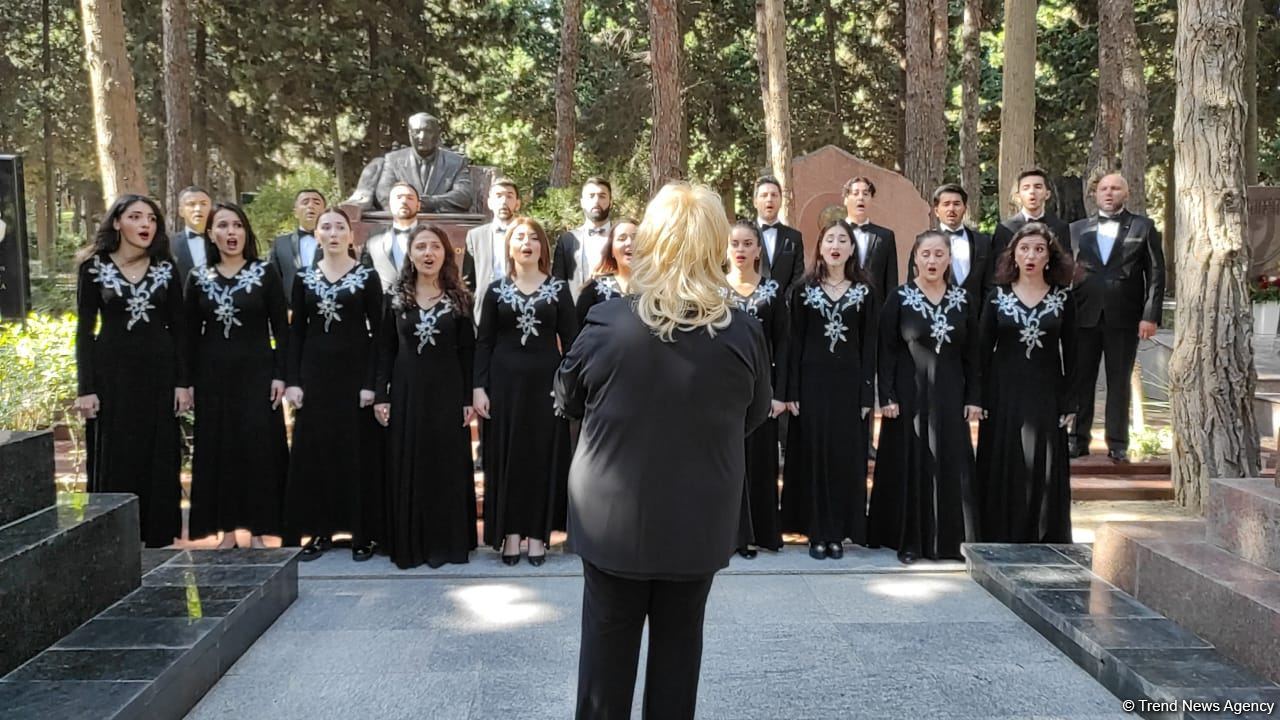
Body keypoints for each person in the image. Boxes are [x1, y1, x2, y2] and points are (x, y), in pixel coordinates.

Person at [555, 182, 771, 720]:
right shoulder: (743, 332)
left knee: (606, 655)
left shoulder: (608, 323)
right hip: (699, 514)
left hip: (612, 518)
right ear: (715, 245)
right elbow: (755, 415)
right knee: (680, 647)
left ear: (653, 240)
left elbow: (566, 397)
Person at [74, 194, 191, 548]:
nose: (145, 225)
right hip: (112, 377)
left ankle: (157, 534)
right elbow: (84, 331)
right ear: (117, 222)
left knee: (158, 451)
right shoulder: (93, 268)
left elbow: (181, 329)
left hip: (159, 375)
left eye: (152, 219)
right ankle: (114, 535)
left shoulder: (165, 268)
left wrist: (183, 383)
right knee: (116, 452)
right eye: (136, 217)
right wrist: (86, 388)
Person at [867, 231, 981, 564]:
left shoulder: (964, 300)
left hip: (950, 395)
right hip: (908, 399)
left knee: (950, 463)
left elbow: (974, 355)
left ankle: (950, 542)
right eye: (926, 254)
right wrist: (886, 396)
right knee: (912, 465)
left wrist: (974, 397)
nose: (932, 261)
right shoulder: (899, 298)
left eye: (939, 254)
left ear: (949, 259)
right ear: (915, 258)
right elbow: (885, 351)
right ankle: (908, 541)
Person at [474, 217, 578, 566]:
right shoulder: (495, 290)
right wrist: (478, 388)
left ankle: (536, 534)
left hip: (545, 388)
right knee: (508, 458)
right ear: (509, 247)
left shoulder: (559, 290)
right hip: (503, 388)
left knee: (540, 458)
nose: (526, 243)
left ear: (542, 247)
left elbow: (573, 343)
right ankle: (510, 533)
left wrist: (566, 386)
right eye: (519, 237)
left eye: (534, 237)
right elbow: (484, 342)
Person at [373, 223, 478, 569]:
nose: (428, 253)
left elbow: (468, 351)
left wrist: (467, 399)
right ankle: (411, 544)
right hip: (407, 394)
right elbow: (384, 349)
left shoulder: (459, 298)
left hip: (448, 395)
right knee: (410, 465)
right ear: (411, 254)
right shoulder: (394, 297)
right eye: (421, 247)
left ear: (446, 254)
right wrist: (381, 395)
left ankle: (446, 543)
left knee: (444, 466)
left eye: (435, 246)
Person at [184, 203, 289, 549]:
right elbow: (188, 335)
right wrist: (187, 382)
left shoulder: (265, 273)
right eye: (223, 226)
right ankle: (227, 532)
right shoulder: (198, 277)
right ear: (211, 234)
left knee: (259, 450)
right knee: (220, 451)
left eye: (237, 226)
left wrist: (280, 375)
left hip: (258, 377)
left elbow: (282, 329)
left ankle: (260, 531)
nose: (231, 232)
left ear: (246, 232)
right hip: (213, 379)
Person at [283, 207, 385, 561]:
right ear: (317, 236)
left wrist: (372, 383)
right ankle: (319, 530)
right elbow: (296, 332)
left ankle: (362, 533)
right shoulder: (304, 278)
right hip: (314, 380)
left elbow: (379, 334)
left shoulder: (367, 277)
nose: (333, 233)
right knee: (317, 455)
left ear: (350, 235)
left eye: (340, 227)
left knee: (356, 455)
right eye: (326, 227)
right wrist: (293, 381)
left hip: (354, 381)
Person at [975, 223, 1078, 543]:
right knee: (1004, 458)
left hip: (1046, 392)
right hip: (1003, 393)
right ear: (1013, 255)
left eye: (1038, 249)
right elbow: (981, 352)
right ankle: (999, 532)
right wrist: (977, 397)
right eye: (1024, 249)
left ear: (1049, 257)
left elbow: (1074, 354)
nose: (1031, 255)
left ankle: (1044, 534)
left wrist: (1071, 401)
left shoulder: (1063, 298)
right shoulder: (997, 297)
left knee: (1043, 459)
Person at [781, 220, 877, 560]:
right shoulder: (803, 291)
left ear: (852, 249)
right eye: (830, 240)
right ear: (820, 248)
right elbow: (793, 344)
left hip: (849, 386)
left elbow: (870, 344)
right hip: (811, 384)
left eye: (842, 240)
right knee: (813, 455)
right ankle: (815, 532)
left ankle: (837, 532)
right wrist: (791, 389)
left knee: (843, 457)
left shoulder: (865, 292)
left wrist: (867, 393)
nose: (836, 245)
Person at [1068, 172, 1166, 462]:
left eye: (1115, 188)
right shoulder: (1077, 229)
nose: (1109, 193)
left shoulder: (1143, 226)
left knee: (1119, 381)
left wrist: (1150, 315)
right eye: (1104, 189)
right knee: (1081, 380)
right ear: (1095, 194)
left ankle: (1118, 442)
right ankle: (1078, 439)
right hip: (1082, 315)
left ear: (1127, 193)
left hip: (1124, 317)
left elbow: (1156, 274)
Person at [725, 220, 789, 558]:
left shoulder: (773, 291)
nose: (740, 250)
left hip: (761, 390)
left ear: (758, 251)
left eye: (747, 244)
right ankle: (725, 534)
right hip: (721, 392)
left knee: (760, 463)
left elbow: (784, 344)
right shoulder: (712, 290)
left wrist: (779, 393)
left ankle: (755, 534)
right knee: (725, 462)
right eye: (734, 244)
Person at [346, 112, 473, 213]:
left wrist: (432, 202)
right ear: (410, 134)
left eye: (428, 131)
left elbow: (464, 196)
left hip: (444, 223)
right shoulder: (393, 160)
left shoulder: (456, 162)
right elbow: (384, 194)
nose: (422, 137)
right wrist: (410, 203)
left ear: (437, 134)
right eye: (417, 131)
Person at [910, 184, 992, 302]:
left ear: (965, 209)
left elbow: (989, 285)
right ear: (936, 211)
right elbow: (914, 282)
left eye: (956, 204)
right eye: (946, 204)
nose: (951, 209)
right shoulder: (923, 242)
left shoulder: (983, 242)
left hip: (975, 311)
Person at [464, 177, 522, 321]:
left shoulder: (526, 235)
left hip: (520, 306)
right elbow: (468, 280)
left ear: (517, 204)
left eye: (509, 196)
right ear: (489, 202)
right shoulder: (475, 235)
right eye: (498, 196)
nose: (504, 201)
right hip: (484, 310)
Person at [552, 177, 614, 301]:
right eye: (591, 196)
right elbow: (558, 284)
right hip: (576, 310)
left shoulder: (622, 238)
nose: (596, 200)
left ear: (611, 202)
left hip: (614, 308)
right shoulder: (567, 240)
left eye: (602, 196)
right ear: (582, 202)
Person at [840, 176, 898, 302]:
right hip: (841, 304)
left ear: (871, 199)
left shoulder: (885, 236)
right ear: (846, 199)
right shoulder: (834, 233)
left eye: (865, 194)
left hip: (875, 308)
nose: (861, 198)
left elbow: (891, 281)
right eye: (855, 193)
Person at [992, 169, 1072, 259]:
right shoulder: (1005, 229)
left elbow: (1066, 263)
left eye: (1038, 187)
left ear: (1047, 194)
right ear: (1018, 195)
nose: (1032, 191)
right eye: (1026, 188)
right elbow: (1000, 264)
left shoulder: (1060, 227)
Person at [574, 217, 638, 325]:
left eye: (635, 237)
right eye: (622, 238)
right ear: (611, 250)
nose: (629, 242)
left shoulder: (655, 287)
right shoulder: (594, 289)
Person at [268, 188, 326, 304]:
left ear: (325, 211)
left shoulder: (335, 241)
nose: (311, 206)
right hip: (292, 309)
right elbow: (272, 282)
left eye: (316, 202)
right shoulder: (280, 244)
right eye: (305, 202)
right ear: (295, 212)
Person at [752, 176, 805, 297]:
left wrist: (783, 301)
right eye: (764, 195)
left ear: (781, 201)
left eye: (774, 195)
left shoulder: (794, 237)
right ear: (755, 202)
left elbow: (798, 277)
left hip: (785, 304)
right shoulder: (746, 236)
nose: (769, 199)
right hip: (752, 303)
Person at [364, 182, 421, 291]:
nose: (404, 201)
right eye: (398, 197)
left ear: (418, 206)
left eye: (410, 198)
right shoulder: (373, 240)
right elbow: (366, 276)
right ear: (390, 204)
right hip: (384, 300)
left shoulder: (433, 237)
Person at [172, 186, 212, 279]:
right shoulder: (169, 244)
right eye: (191, 204)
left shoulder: (221, 241)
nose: (198, 209)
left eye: (203, 204)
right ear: (181, 211)